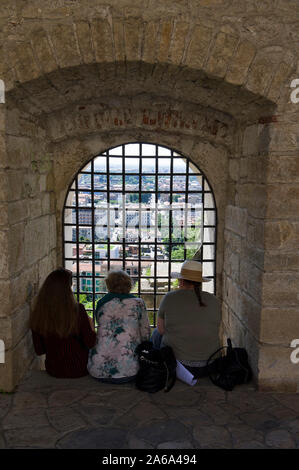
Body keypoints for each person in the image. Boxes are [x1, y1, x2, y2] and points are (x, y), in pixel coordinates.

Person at [151, 260, 221, 379]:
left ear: (181, 280)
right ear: (199, 282)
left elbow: (161, 329)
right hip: (210, 365)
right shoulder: (213, 300)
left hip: (179, 366)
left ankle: (156, 366)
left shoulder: (169, 298)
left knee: (156, 334)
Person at [29, 268, 97, 378]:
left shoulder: (39, 313)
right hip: (80, 368)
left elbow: (39, 350)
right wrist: (91, 325)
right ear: (67, 289)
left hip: (54, 369)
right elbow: (90, 343)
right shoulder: (77, 310)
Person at [87, 270, 151, 383]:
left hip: (98, 371)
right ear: (129, 285)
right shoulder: (138, 303)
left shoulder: (102, 303)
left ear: (109, 285)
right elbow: (145, 332)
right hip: (130, 371)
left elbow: (100, 324)